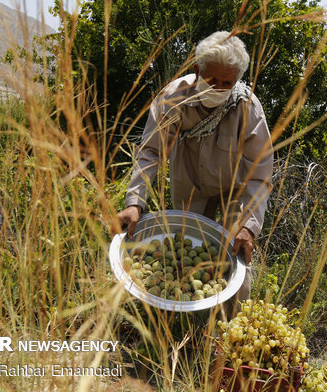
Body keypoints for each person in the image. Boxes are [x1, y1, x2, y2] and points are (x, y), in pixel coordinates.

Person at [116, 31, 273, 315]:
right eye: (212, 80)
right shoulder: (174, 97)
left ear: (237, 80)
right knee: (183, 258)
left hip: (233, 192)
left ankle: (230, 329)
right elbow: (151, 151)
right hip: (188, 183)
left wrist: (249, 226)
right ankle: (183, 321)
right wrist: (134, 201)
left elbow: (259, 174)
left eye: (227, 83)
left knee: (236, 258)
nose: (219, 87)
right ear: (196, 70)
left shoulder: (248, 108)